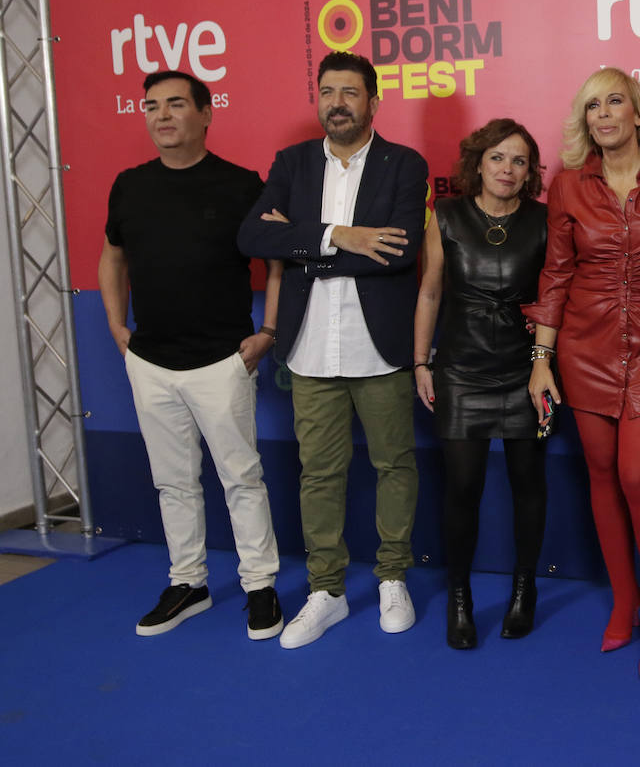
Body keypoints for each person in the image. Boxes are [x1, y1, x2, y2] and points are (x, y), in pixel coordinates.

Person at [238, 50, 428, 649]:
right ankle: (328, 590)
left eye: (350, 92)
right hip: (310, 347)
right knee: (319, 473)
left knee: (394, 465)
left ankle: (393, 575)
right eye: (328, 92)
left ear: (374, 101)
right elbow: (252, 235)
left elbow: (397, 252)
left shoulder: (404, 164)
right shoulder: (292, 164)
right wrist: (338, 237)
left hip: (380, 347)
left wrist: (302, 250)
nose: (337, 102)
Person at [524, 67, 640, 680]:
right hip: (584, 350)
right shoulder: (569, 187)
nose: (603, 114)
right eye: (592, 105)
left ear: (636, 112)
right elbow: (554, 275)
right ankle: (625, 600)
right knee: (601, 473)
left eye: (614, 102)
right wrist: (542, 361)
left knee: (639, 478)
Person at [99, 70, 283, 639]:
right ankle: (189, 583)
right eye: (152, 106)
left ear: (206, 113)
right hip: (151, 362)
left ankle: (260, 586)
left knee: (241, 479)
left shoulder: (241, 185)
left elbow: (277, 261)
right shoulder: (129, 185)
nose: (162, 116)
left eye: (176, 104)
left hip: (222, 360)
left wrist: (269, 330)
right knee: (172, 482)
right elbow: (112, 257)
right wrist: (115, 326)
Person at [414, 118, 548, 650]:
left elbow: (559, 293)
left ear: (529, 171)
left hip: (526, 372)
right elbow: (428, 292)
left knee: (528, 485)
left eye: (519, 161)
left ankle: (524, 590)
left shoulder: (543, 220)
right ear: (478, 162)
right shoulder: (445, 215)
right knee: (462, 489)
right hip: (461, 369)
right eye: (498, 158)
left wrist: (545, 339)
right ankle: (460, 597)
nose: (508, 169)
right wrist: (421, 362)